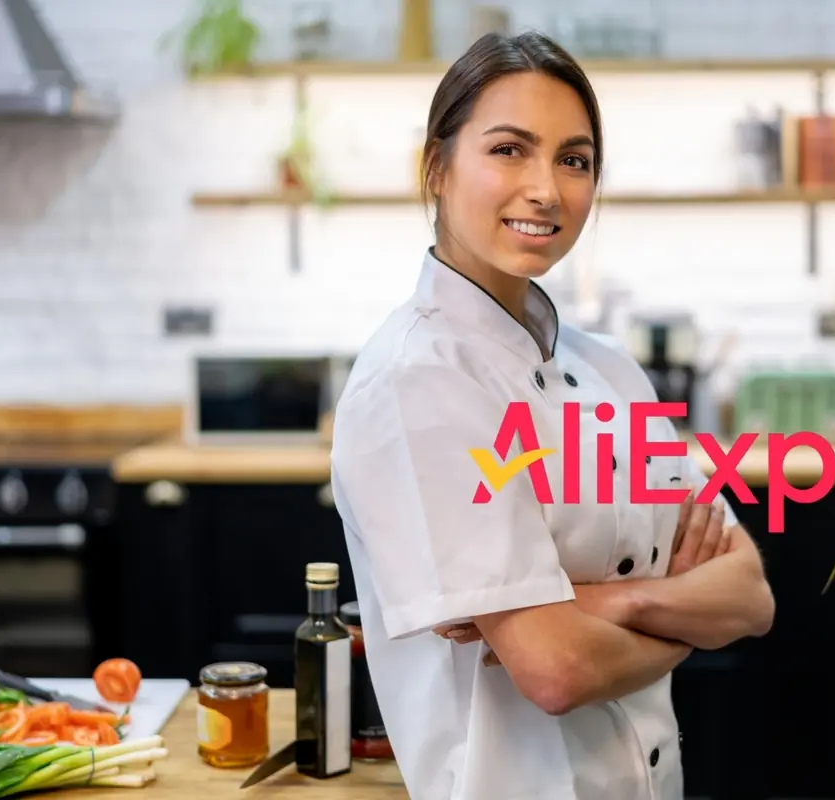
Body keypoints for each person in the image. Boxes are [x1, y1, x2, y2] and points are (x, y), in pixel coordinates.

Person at [330, 30, 776, 800]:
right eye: (509, 149)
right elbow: (556, 670)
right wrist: (679, 616)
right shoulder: (416, 386)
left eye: (574, 160)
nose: (546, 188)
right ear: (435, 168)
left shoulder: (611, 373)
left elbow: (749, 597)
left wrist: (610, 604)